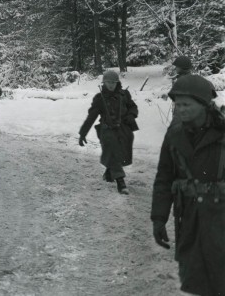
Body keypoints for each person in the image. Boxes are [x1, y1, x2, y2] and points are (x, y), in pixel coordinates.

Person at [151, 74, 225, 296]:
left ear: (203, 104)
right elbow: (164, 178)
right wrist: (159, 218)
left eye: (186, 104)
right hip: (189, 219)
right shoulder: (174, 135)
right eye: (177, 104)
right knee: (195, 279)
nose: (180, 109)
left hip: (221, 219)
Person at [79, 70, 139, 194]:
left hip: (123, 128)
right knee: (112, 148)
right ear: (104, 83)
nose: (111, 85)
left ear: (117, 82)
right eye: (108, 82)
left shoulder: (124, 95)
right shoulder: (100, 98)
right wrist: (83, 133)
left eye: (113, 82)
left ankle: (109, 173)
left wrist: (132, 115)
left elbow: (133, 107)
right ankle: (120, 181)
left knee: (121, 151)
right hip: (107, 129)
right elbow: (91, 117)